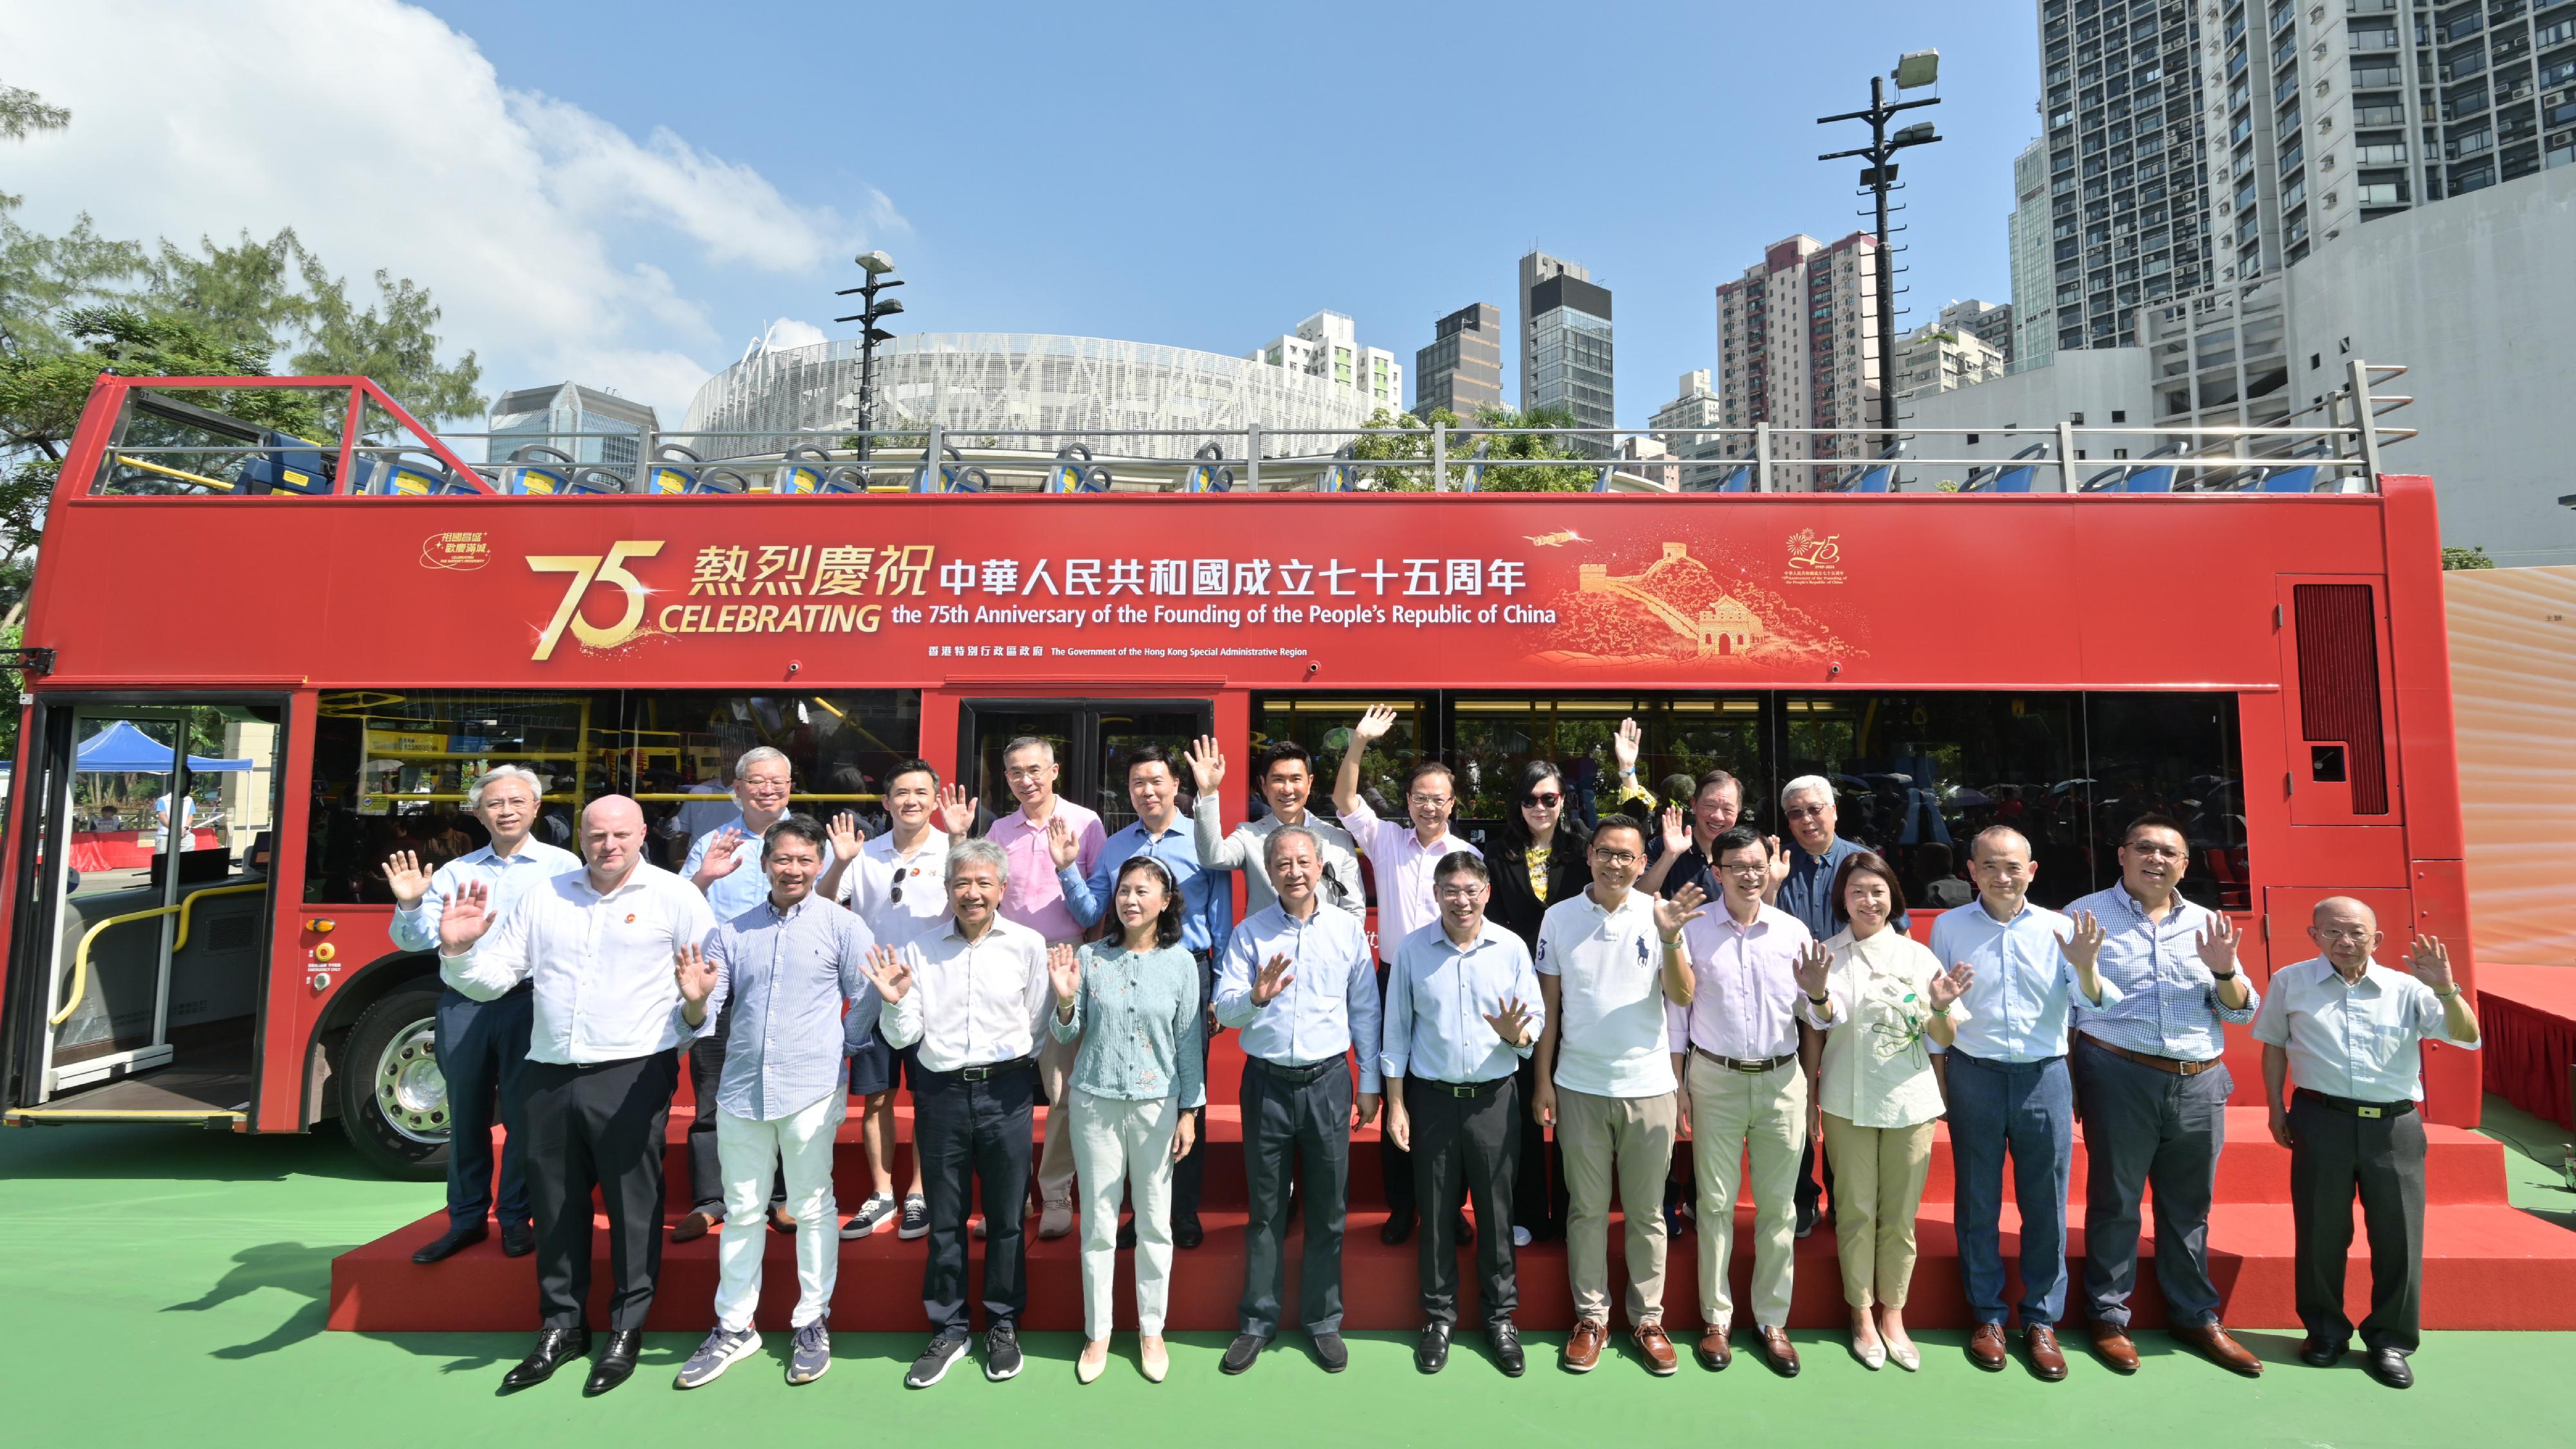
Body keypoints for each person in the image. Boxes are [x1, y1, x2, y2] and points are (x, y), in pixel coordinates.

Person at [433, 796, 717, 1397]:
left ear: (644, 834)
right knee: (555, 1204)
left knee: (632, 1207)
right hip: (548, 1069)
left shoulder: (677, 897)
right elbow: (495, 977)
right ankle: (561, 1327)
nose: (608, 845)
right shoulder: (547, 896)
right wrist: (458, 950)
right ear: (580, 836)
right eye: (596, 834)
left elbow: (706, 997)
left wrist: (693, 1005)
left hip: (633, 1069)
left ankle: (626, 1329)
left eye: (620, 834)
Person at [670, 816, 881, 1390]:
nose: (793, 870)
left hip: (813, 1088)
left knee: (813, 1206)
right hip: (741, 1089)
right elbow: (702, 1021)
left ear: (820, 865)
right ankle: (735, 1327)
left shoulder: (844, 927)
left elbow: (865, 1004)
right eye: (783, 859)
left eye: (805, 860)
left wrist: (844, 1047)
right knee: (742, 1210)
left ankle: (812, 1321)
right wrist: (692, 1005)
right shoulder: (731, 932)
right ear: (765, 864)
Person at [2067, 812, 2263, 1378]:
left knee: (2190, 1205)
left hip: (2199, 1077)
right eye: (2145, 849)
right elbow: (2070, 1006)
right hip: (2119, 1072)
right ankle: (2108, 1316)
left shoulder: (2207, 923)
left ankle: (2196, 1315)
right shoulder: (2084, 916)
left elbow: (2240, 1010)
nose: (2157, 860)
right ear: (2121, 854)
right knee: (2116, 1200)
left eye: (2169, 853)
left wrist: (2225, 972)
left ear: (2185, 864)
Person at [2254, 900, 2481, 1390]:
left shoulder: (2410, 989)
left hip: (2394, 1128)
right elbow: (2273, 1044)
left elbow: (2467, 1036)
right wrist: (2275, 1108)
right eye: (2332, 931)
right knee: (2320, 1232)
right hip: (2320, 1119)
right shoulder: (2290, 982)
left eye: (2356, 932)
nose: (2345, 941)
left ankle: (2392, 1340)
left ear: (2376, 940)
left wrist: (2446, 986)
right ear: (2314, 934)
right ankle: (2324, 1332)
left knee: (2399, 1236)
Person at [1928, 824, 2117, 1381]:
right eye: (1989, 866)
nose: (2002, 876)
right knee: (1977, 1200)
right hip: (1974, 1074)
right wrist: (1941, 1079)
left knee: (2047, 1204)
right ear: (1971, 872)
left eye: (2013, 866)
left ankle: (2040, 1319)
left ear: (2032, 871)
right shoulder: (1947, 926)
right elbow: (1939, 1005)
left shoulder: (2062, 928)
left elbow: (2094, 1003)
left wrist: (2085, 964)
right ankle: (1987, 1315)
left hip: (2044, 1077)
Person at [383, 766, 579, 1265]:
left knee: (523, 1117)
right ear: (478, 813)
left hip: (532, 1004)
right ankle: (465, 1220)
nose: (507, 811)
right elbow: (416, 940)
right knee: (465, 1116)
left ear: (537, 807)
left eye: (517, 801)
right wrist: (409, 907)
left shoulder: (564, 868)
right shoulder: (456, 872)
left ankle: (515, 1219)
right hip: (464, 1006)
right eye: (495, 804)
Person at [877, 838, 1054, 1390]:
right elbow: (905, 1035)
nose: (972, 894)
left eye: (983, 883)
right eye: (961, 884)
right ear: (948, 890)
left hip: (1007, 1094)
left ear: (1002, 889)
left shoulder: (1028, 944)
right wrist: (893, 1001)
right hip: (941, 1094)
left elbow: (1037, 1025)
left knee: (1005, 1219)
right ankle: (949, 1328)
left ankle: (1002, 1323)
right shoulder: (922, 949)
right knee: (946, 1220)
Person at [1211, 826, 1383, 1376]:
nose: (1294, 871)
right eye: (1282, 863)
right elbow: (1226, 1008)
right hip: (1267, 1085)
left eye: (1303, 861)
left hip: (1328, 1082)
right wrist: (1255, 998)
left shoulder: (1346, 932)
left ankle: (1323, 1320)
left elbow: (1366, 1012)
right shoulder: (1250, 933)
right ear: (1270, 871)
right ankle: (1257, 1322)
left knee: (1329, 1210)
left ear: (1320, 865)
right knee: (1265, 1211)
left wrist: (1371, 1083)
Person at [1666, 824, 1832, 1378]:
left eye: (1758, 864)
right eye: (1736, 866)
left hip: (1783, 1080)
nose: (1749, 875)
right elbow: (1677, 1014)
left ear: (1770, 867)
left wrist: (1818, 993)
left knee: (1779, 1209)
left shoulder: (1791, 930)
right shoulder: (1694, 931)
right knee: (1713, 1205)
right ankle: (1716, 1320)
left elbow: (1817, 1018)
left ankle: (1771, 1321)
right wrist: (1680, 1084)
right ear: (1717, 874)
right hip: (1714, 1077)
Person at [1535, 813, 1696, 1376]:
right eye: (1606, 852)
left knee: (1648, 1214)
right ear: (1589, 856)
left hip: (1649, 1088)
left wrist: (1673, 936)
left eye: (1627, 856)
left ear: (1641, 863)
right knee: (1584, 1212)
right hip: (1578, 1087)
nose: (1615, 864)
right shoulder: (1558, 918)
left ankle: (1648, 1319)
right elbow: (1548, 1011)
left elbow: (1682, 996)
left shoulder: (1660, 915)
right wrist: (1543, 1082)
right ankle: (1592, 1319)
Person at [1054, 742, 1231, 1247]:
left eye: (1157, 781)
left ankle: (1185, 1212)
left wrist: (1217, 988)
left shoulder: (1203, 840)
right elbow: (1092, 914)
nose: (1147, 791)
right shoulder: (1115, 846)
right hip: (1124, 968)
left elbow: (1220, 919)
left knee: (1185, 1095)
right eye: (1137, 783)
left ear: (1177, 785)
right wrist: (1067, 867)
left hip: (1187, 970)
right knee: (1131, 1094)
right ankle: (1140, 1210)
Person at [1382, 852, 1544, 1376]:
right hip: (1430, 1099)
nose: (1462, 900)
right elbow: (1397, 1031)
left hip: (1495, 1098)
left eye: (1471, 889)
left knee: (1497, 1215)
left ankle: (1500, 1318)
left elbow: (1534, 1022)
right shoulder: (1413, 950)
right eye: (1451, 890)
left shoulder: (1511, 948)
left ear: (1487, 892)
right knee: (1436, 1211)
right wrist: (1397, 1102)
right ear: (1436, 894)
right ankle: (1438, 1318)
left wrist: (1515, 1035)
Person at [1810, 851, 1973, 1372]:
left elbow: (1942, 1037)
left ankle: (1894, 1314)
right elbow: (1821, 1018)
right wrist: (1815, 993)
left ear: (1892, 898)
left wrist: (1943, 1007)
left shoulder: (1918, 958)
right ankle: (1861, 1313)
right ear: (1843, 899)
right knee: (1855, 1211)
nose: (1868, 900)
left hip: (1910, 1100)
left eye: (1877, 891)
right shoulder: (1827, 956)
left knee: (1900, 1218)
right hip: (1844, 1101)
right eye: (1857, 891)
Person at [1050, 857, 1204, 1385]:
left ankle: (1151, 1329)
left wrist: (1190, 1110)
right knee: (1097, 1221)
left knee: (1156, 1222)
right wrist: (1066, 1001)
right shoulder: (1092, 958)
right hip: (1094, 1104)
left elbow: (1189, 1043)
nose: (1130, 900)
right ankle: (1099, 1332)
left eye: (1143, 891)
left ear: (1166, 902)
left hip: (1157, 1106)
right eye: (1123, 890)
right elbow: (1069, 1035)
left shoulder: (1182, 963)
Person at [1334, 704, 1481, 1245]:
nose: (1428, 806)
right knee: (1393, 1088)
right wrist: (1358, 743)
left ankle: (1453, 1207)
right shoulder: (1388, 841)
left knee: (1447, 1094)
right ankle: (1403, 1207)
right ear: (1409, 802)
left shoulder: (1467, 855)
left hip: (1451, 978)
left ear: (1452, 803)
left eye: (1439, 798)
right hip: (1392, 978)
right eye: (1420, 797)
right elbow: (1346, 800)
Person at [674, 746, 826, 1243]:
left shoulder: (809, 839)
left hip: (788, 985)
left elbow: (829, 906)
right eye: (757, 781)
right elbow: (678, 909)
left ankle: (782, 1199)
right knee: (714, 1093)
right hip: (721, 985)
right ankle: (711, 1200)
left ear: (791, 787)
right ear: (736, 788)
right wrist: (704, 878)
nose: (768, 789)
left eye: (778, 781)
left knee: (785, 1094)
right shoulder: (713, 842)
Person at [820, 761, 975, 1242]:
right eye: (901, 793)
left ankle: (917, 1195)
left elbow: (968, 903)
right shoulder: (863, 853)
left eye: (921, 792)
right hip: (874, 991)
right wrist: (842, 862)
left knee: (930, 1099)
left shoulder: (949, 847)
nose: (911, 800)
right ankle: (882, 1193)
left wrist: (957, 840)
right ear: (885, 803)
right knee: (876, 1099)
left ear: (935, 801)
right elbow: (822, 905)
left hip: (933, 989)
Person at [985, 735, 1106, 1242]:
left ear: (1055, 770)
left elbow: (1097, 911)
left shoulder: (1086, 823)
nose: (1025, 780)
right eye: (1015, 772)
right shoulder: (997, 829)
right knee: (1000, 1085)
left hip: (1064, 961)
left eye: (1034, 769)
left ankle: (1054, 1193)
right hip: (1007, 964)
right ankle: (1009, 1195)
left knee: (1060, 1091)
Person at [1774, 774, 1895, 1241]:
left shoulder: (1862, 862)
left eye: (1815, 809)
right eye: (1797, 813)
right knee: (1797, 1100)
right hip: (1791, 1000)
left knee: (1849, 1098)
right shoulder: (1777, 862)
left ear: (1834, 810)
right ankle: (1803, 1198)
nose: (1807, 819)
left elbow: (1892, 924)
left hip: (1854, 998)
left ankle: (1850, 1200)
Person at [1484, 757, 1594, 1245]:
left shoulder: (1585, 850)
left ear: (1563, 801)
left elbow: (1634, 844)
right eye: (1530, 799)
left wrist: (1629, 775)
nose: (1539, 808)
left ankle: (1572, 1213)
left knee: (1573, 1109)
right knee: (1527, 1106)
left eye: (1549, 798)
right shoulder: (1497, 854)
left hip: (1578, 994)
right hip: (1520, 995)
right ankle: (1527, 1210)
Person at [1191, 737, 1364, 920]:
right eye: (1278, 780)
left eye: (1296, 779)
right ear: (1264, 785)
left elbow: (1354, 911)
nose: (1287, 789)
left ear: (1309, 783)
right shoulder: (1249, 835)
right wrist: (1208, 792)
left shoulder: (1338, 839)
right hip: (1268, 947)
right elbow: (1213, 857)